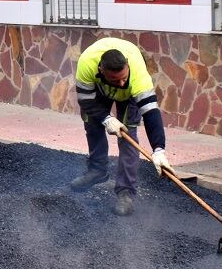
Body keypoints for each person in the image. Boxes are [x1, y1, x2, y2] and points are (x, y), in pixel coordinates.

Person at [71, 37, 173, 216]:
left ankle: (126, 192)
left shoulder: (138, 75)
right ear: (101, 70)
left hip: (129, 97)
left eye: (124, 78)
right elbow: (85, 100)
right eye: (115, 79)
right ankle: (97, 170)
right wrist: (106, 118)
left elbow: (150, 112)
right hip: (100, 90)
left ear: (128, 66)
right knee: (91, 120)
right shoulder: (87, 64)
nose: (121, 84)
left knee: (128, 136)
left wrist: (159, 150)